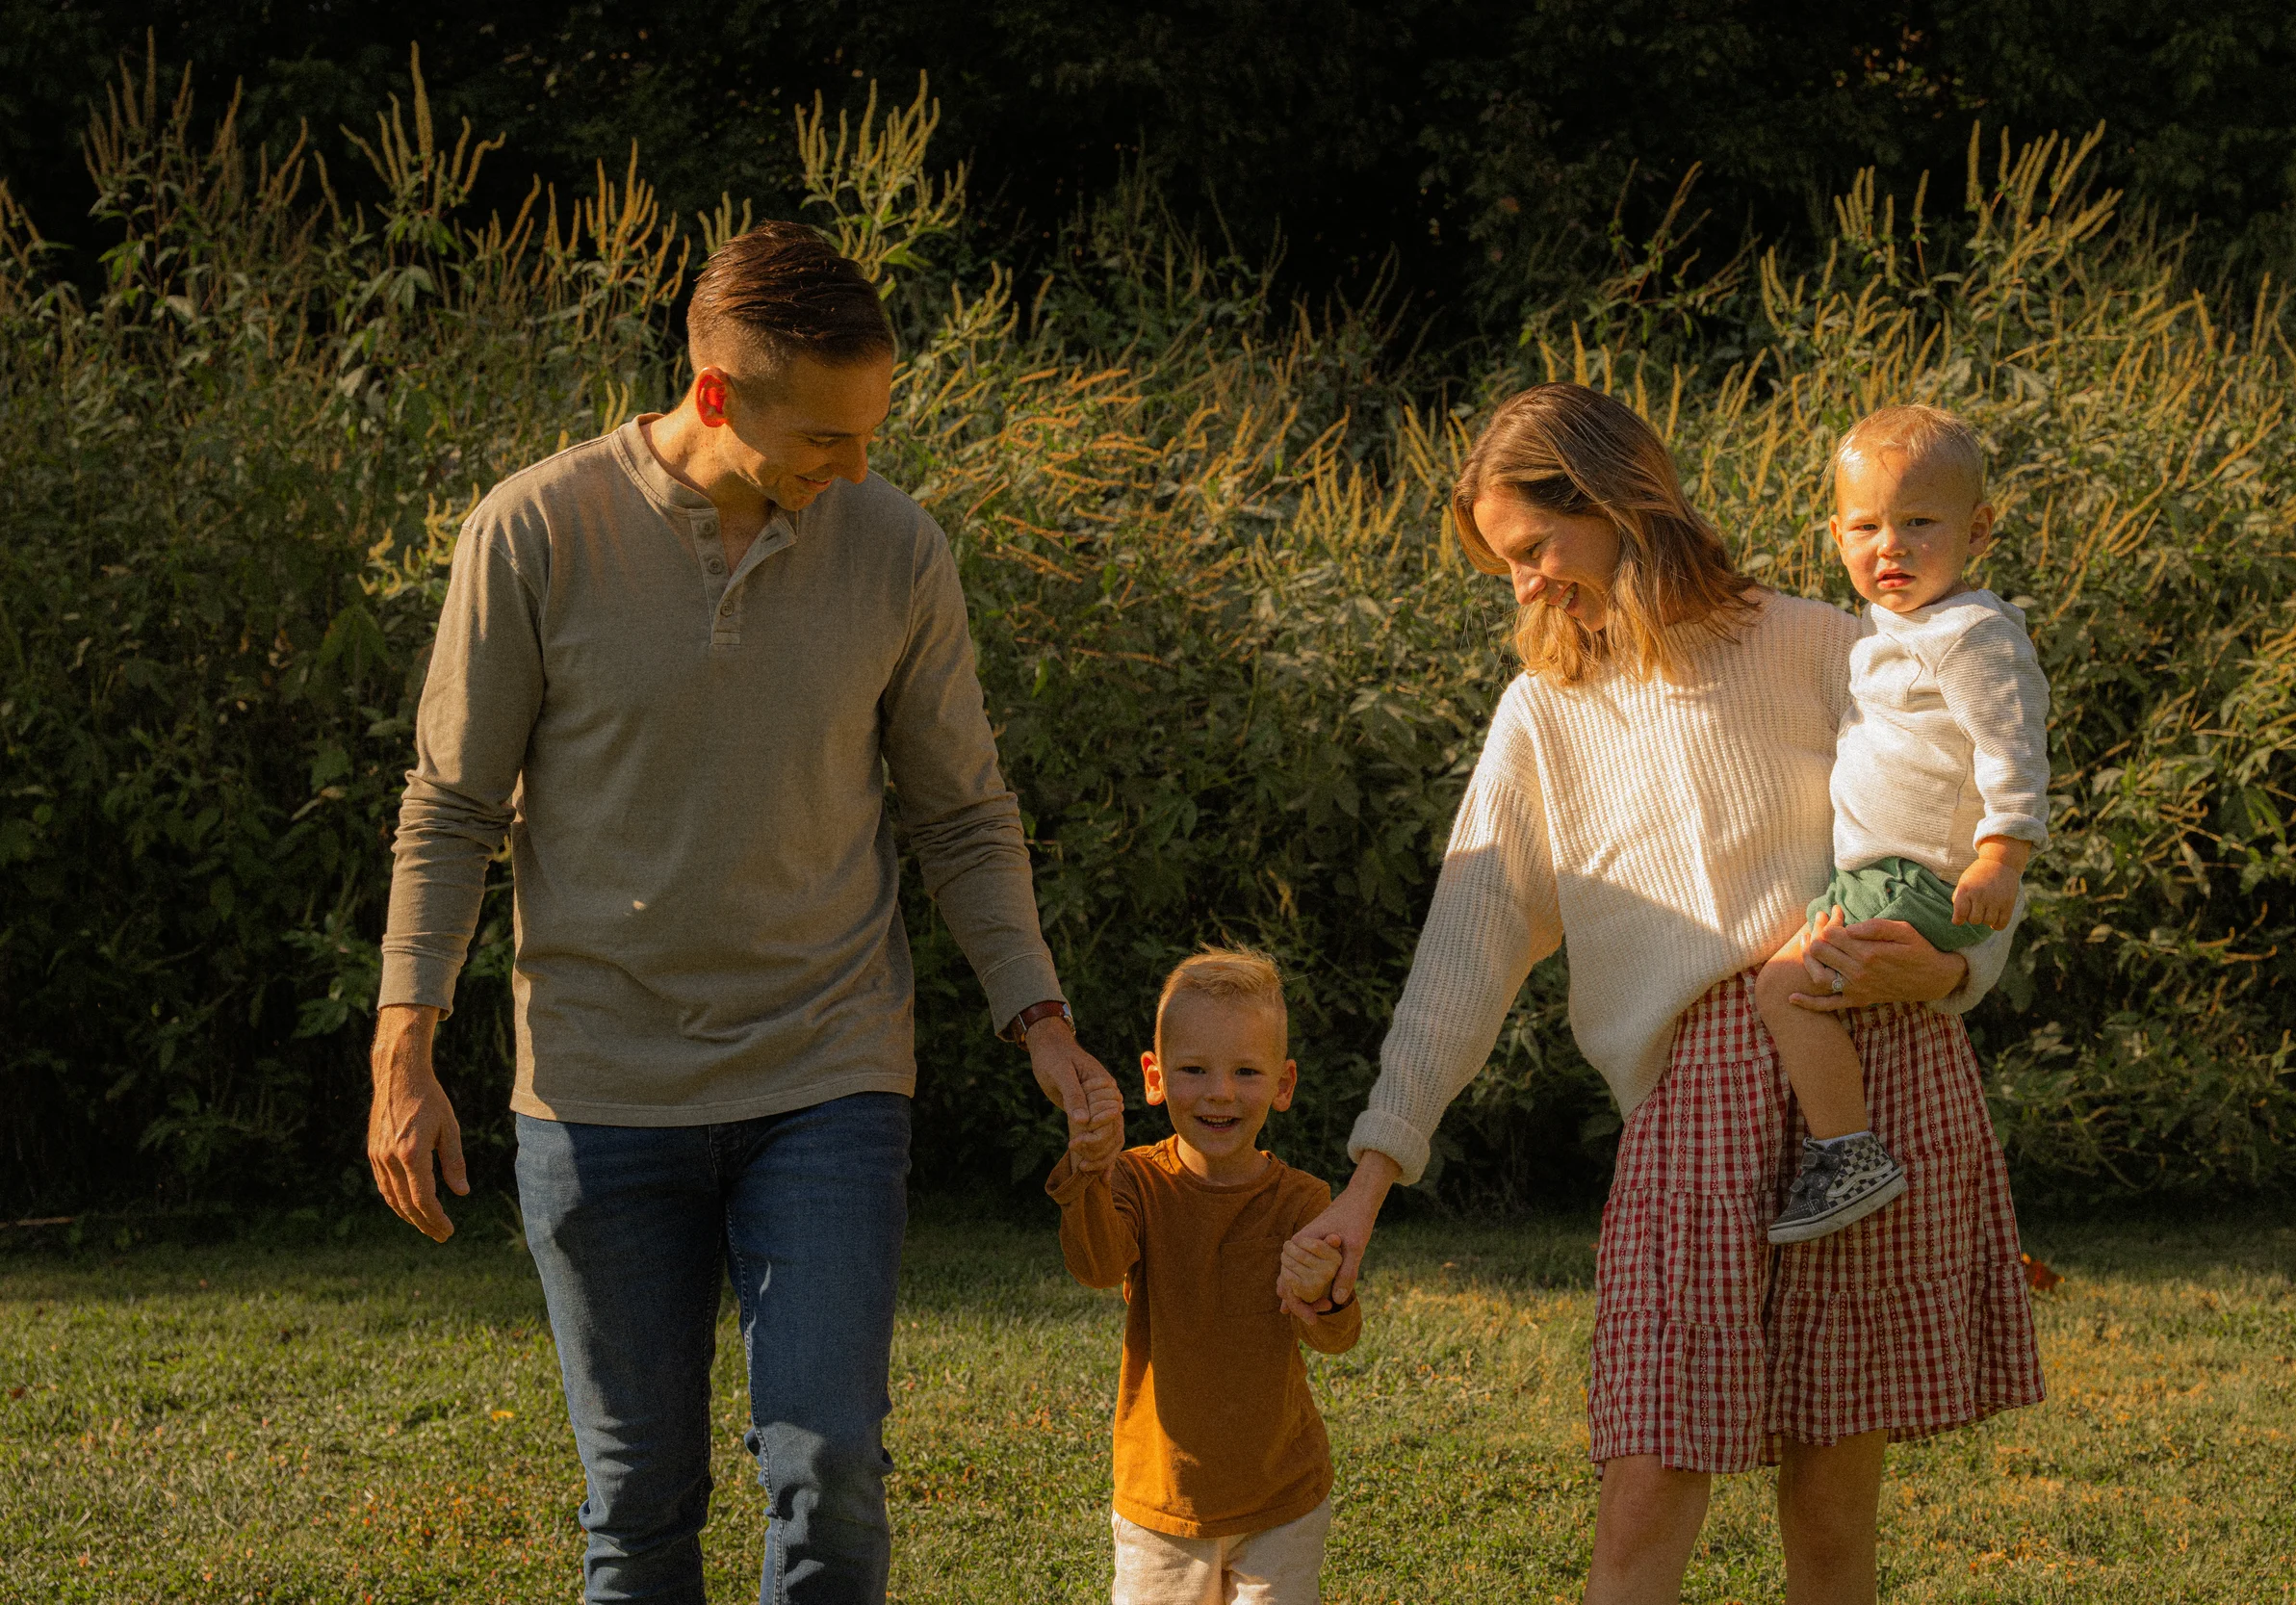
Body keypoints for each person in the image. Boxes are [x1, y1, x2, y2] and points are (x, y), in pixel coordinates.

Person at [364, 220, 1122, 1605]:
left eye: (871, 431)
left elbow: (961, 813)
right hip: (598, 1084)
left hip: (824, 1070)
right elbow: (451, 805)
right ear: (715, 395)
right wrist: (403, 1052)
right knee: (637, 1499)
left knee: (829, 1464)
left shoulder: (896, 551)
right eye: (827, 438)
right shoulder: (534, 528)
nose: (859, 466)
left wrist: (1043, 1021)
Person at [1279, 384, 2044, 1605]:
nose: (1523, 586)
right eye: (1502, 564)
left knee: (1831, 1512)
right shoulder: (1546, 714)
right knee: (1647, 1480)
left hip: (1864, 1070)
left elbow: (1953, 832)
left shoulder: (1830, 643)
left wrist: (1953, 966)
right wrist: (1371, 1173)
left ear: (1618, 502)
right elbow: (1466, 947)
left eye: (1533, 550)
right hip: (1691, 1107)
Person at [1755, 404, 2051, 1245]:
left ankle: (1848, 1154)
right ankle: (1845, 1144)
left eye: (1919, 522)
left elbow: (2015, 748)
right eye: (1867, 526)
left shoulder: (1972, 634)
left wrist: (2002, 855)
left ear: (1978, 529)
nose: (1891, 545)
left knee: (1781, 986)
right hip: (1880, 872)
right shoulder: (1894, 632)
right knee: (1793, 981)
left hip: (1921, 874)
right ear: (1837, 537)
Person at [1049, 947, 1361, 1605]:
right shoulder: (1137, 1178)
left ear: (1283, 1083)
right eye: (1195, 1069)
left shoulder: (1303, 1200)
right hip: (1163, 1503)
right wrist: (1088, 1175)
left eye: (1246, 1071)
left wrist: (1319, 1291)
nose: (1220, 1090)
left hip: (1283, 1497)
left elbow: (1337, 1335)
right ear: (1155, 1076)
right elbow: (1097, 1265)